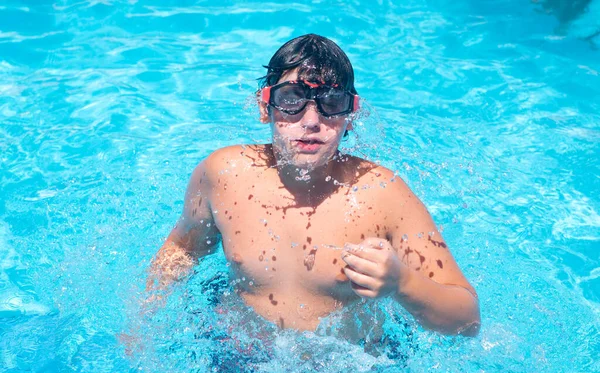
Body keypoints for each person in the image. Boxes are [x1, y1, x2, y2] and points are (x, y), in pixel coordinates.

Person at [147, 34, 481, 336]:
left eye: (331, 102)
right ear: (266, 107)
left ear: (351, 113)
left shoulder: (382, 196)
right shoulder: (224, 175)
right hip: (239, 360)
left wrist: (402, 282)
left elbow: (467, 320)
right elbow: (183, 248)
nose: (311, 121)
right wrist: (141, 325)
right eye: (292, 99)